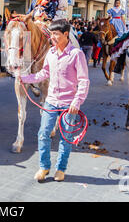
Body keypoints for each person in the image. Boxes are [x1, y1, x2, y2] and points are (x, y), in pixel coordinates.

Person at [17, 20, 90, 182]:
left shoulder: (76, 55)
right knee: (43, 134)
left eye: (56, 34)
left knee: (65, 138)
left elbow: (84, 81)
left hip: (68, 104)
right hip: (50, 102)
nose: (53, 38)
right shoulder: (50, 53)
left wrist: (76, 102)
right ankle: (44, 167)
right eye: (51, 34)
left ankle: (61, 169)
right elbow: (43, 74)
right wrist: (24, 78)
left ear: (66, 34)